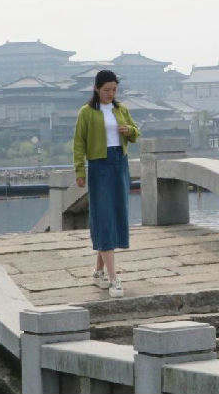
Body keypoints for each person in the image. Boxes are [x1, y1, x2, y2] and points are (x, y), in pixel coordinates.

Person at [73, 70, 140, 298]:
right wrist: (80, 170)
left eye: (114, 89)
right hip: (99, 166)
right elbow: (79, 143)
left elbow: (136, 133)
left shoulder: (121, 110)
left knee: (116, 214)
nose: (110, 94)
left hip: (120, 164)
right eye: (106, 90)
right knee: (104, 217)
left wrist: (129, 130)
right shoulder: (86, 112)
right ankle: (113, 279)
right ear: (96, 89)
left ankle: (98, 272)